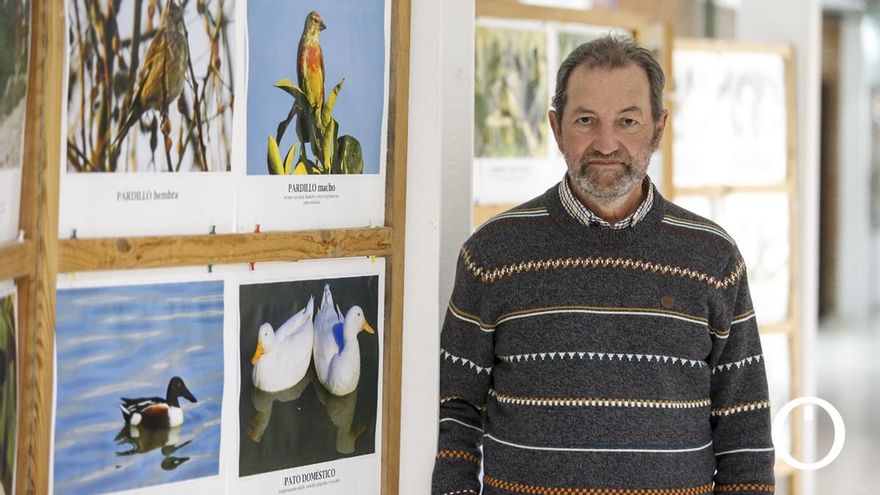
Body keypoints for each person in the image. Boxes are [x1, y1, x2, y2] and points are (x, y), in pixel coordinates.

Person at [432, 34, 775, 494]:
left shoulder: (714, 258)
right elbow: (454, 410)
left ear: (658, 129)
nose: (607, 143)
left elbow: (745, 431)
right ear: (556, 127)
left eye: (628, 121)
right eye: (585, 120)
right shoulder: (492, 254)